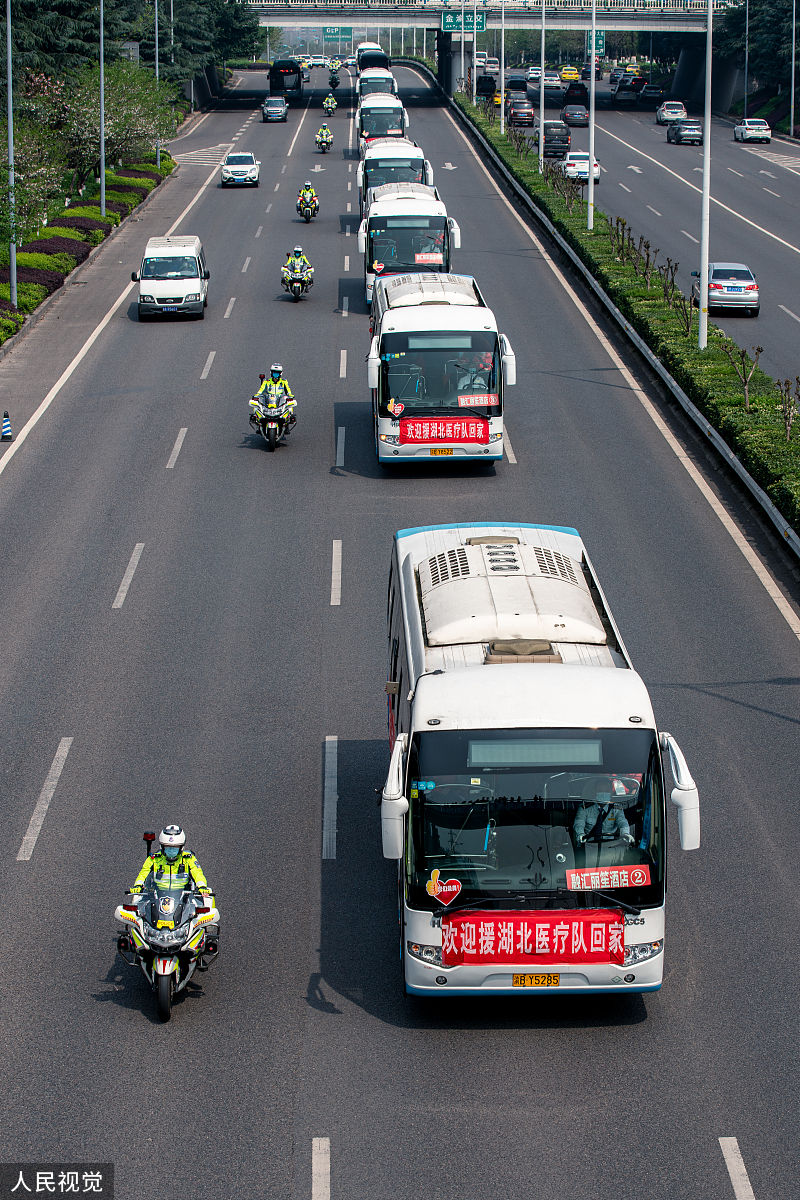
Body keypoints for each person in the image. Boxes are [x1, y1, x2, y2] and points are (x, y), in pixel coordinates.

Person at [130, 825, 213, 895]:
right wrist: (138, 885)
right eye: (167, 847)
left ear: (181, 848)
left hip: (185, 897)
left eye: (175, 848)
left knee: (205, 907)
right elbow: (143, 872)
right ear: (162, 847)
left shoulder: (189, 858)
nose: (171, 851)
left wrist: (202, 887)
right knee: (136, 905)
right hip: (157, 896)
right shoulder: (154, 859)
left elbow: (197, 873)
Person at [573, 778, 635, 846]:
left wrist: (625, 834)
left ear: (611, 793)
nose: (603, 793)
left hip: (610, 845)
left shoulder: (616, 808)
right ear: (595, 792)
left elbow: (622, 822)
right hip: (588, 844)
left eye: (606, 790)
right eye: (600, 790)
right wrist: (581, 834)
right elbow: (579, 823)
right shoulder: (584, 808)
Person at [250, 363, 297, 428]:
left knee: (288, 403)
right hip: (269, 399)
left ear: (280, 373)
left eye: (277, 373)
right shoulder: (266, 381)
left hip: (280, 400)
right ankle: (258, 420)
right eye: (274, 373)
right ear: (271, 373)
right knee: (257, 402)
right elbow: (261, 390)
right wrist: (256, 396)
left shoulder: (284, 381)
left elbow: (288, 391)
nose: (275, 375)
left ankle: (287, 422)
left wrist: (290, 396)